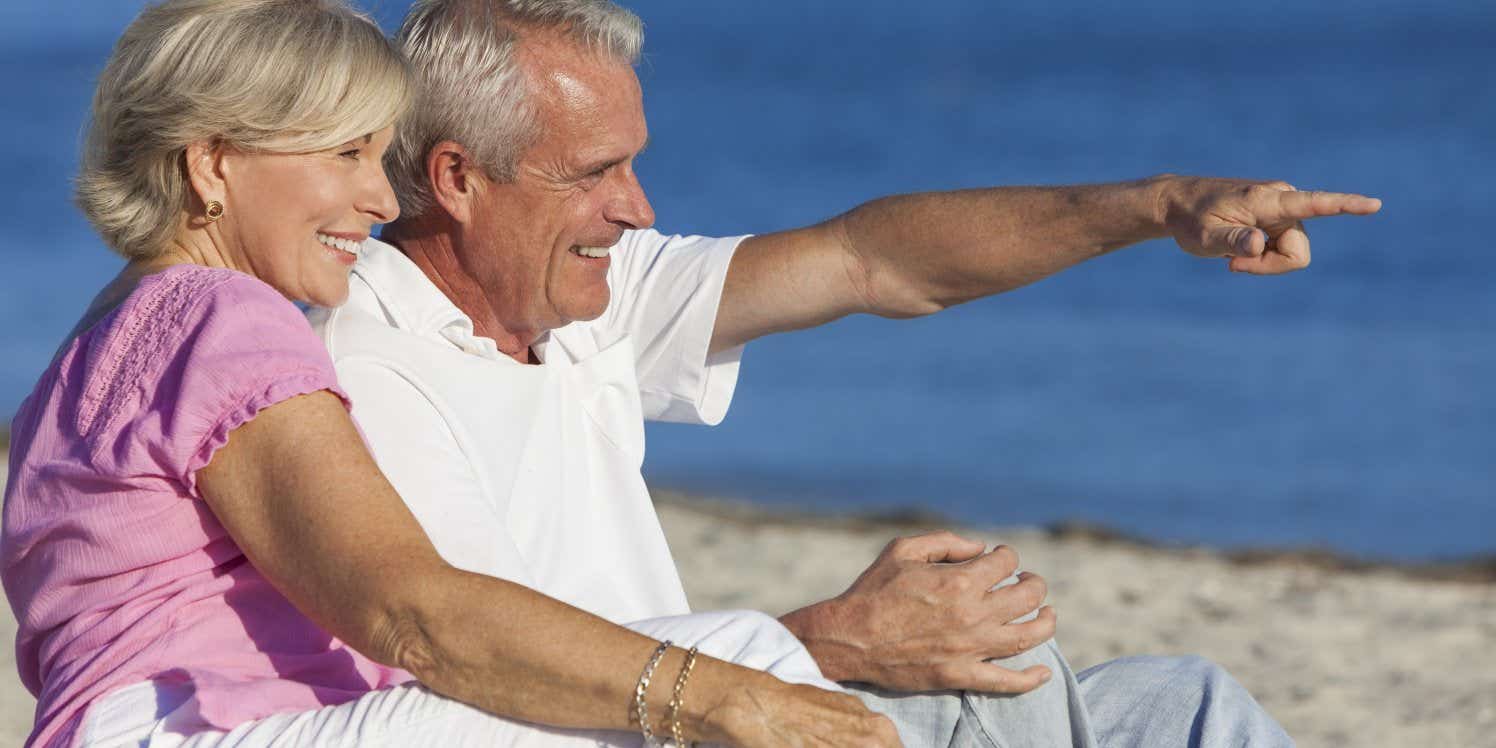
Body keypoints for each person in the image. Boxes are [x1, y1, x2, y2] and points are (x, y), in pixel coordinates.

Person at [311, 0, 1378, 745]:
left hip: (722, 708)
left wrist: (1157, 207)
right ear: (457, 178)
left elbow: (875, 260)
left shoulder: (576, 296)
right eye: (597, 173)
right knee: (991, 687)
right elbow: (480, 675)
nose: (636, 207)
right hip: (646, 727)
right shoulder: (366, 371)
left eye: (631, 163)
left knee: (1178, 704)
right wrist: (829, 641)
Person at [2, 1, 906, 747]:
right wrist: (724, 698)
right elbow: (412, 613)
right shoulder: (226, 319)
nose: (385, 199)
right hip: (197, 732)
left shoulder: (97, 344)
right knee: (732, 663)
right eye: (346, 152)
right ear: (214, 164)